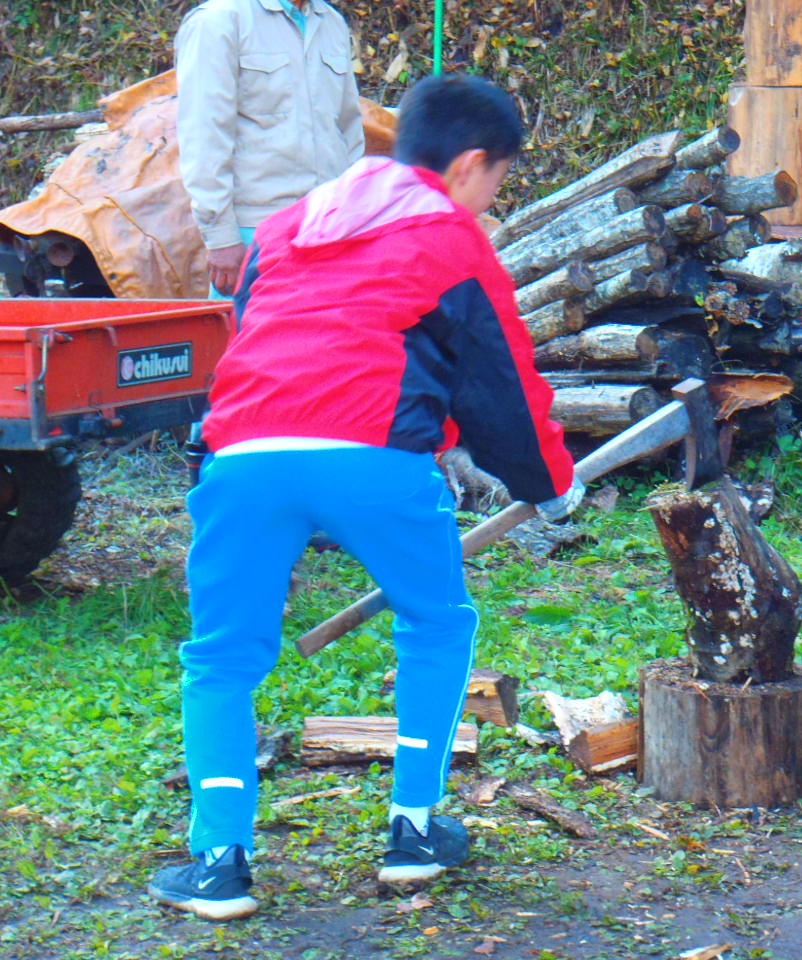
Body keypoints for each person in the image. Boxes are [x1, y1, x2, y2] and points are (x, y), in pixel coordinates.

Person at [148, 74, 584, 921]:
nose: (493, 198)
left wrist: (438, 431)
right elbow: (502, 388)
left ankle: (219, 864)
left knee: (221, 659)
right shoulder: (453, 239)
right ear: (468, 165)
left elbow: (282, 343)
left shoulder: (285, 228)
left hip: (242, 458)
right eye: (499, 178)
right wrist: (552, 488)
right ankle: (414, 832)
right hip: (372, 461)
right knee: (439, 620)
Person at [175, 0, 365, 296]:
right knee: (254, 338)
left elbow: (349, 129)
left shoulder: (331, 22)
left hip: (327, 229)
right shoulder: (220, 20)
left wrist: (352, 215)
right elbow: (204, 134)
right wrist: (221, 237)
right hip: (256, 230)